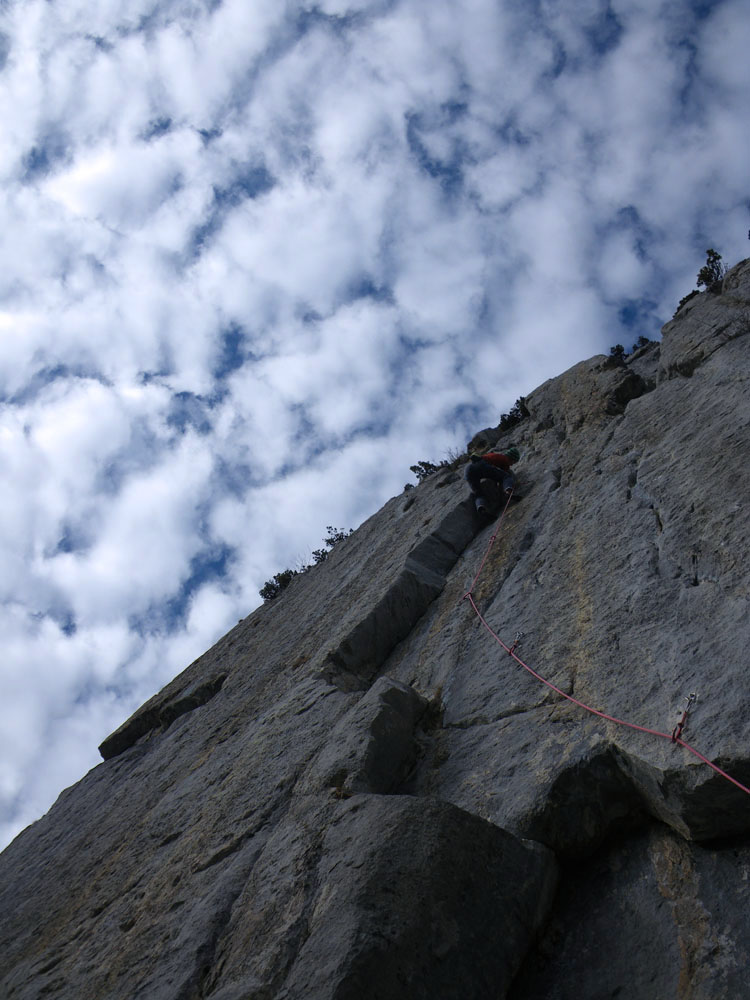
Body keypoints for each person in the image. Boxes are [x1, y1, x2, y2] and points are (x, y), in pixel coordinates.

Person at [465, 446, 520, 512]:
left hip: (468, 470)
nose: (512, 465)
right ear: (511, 458)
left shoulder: (493, 455)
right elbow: (503, 476)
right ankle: (509, 492)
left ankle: (481, 508)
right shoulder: (505, 459)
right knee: (506, 477)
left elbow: (495, 475)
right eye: (513, 462)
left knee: (478, 493)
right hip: (482, 465)